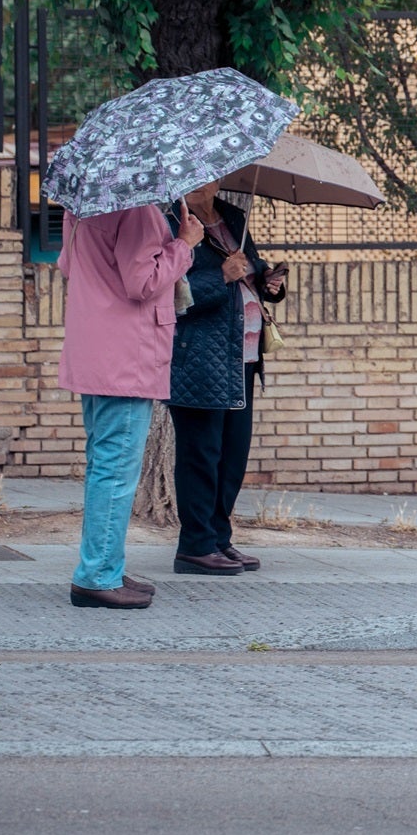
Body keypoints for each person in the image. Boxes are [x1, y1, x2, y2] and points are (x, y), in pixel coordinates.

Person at [57, 203, 203, 609]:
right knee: (115, 470)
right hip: (126, 355)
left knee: (105, 465)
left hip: (97, 350)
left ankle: (105, 565)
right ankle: (97, 575)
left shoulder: (81, 210)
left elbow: (67, 266)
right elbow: (143, 281)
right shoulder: (137, 211)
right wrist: (184, 245)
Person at [165, 184, 286, 576]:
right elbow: (170, 296)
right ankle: (195, 546)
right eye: (204, 176)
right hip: (198, 358)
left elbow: (248, 268)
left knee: (233, 454)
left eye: (217, 175)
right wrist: (220, 276)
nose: (212, 183)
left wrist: (268, 281)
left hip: (242, 358)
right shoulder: (171, 222)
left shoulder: (232, 217)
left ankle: (219, 539)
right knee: (201, 455)